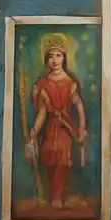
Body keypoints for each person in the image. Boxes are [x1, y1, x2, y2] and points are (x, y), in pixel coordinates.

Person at [26, 33, 88, 209]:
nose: (54, 60)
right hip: (50, 129)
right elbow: (42, 112)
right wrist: (34, 133)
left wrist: (82, 128)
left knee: (62, 161)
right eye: (51, 56)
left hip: (65, 128)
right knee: (49, 159)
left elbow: (80, 107)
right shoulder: (43, 84)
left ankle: (57, 197)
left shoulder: (71, 83)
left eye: (58, 55)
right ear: (47, 60)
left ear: (64, 58)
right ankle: (53, 195)